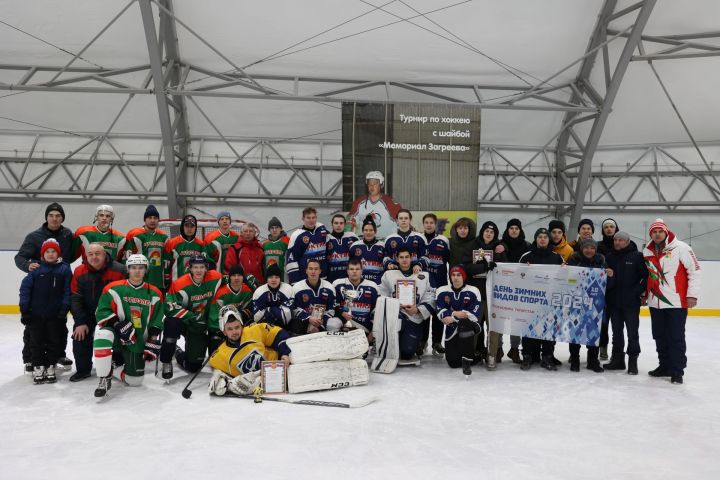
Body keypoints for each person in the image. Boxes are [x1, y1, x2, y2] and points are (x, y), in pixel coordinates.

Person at [92, 254, 164, 397]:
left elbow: (158, 319)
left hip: (136, 340)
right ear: (128, 269)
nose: (137, 271)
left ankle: (114, 368)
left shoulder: (155, 293)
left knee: (135, 381)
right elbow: (101, 311)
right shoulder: (113, 288)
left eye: (141, 268)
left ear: (146, 270)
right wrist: (118, 324)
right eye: (133, 268)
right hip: (117, 335)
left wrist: (153, 340)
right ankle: (104, 377)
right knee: (102, 334)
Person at [15, 202, 74, 372]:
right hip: (40, 287)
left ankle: (58, 355)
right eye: (51, 215)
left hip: (60, 284)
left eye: (58, 216)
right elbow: (20, 257)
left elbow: (72, 254)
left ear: (62, 218)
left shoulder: (67, 234)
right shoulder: (34, 236)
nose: (54, 218)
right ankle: (30, 358)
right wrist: (28, 266)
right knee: (34, 329)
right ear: (46, 217)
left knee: (59, 327)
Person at [643, 218, 701, 385]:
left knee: (675, 336)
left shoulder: (681, 247)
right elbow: (649, 276)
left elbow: (695, 271)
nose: (657, 234)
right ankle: (664, 366)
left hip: (676, 302)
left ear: (666, 232)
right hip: (656, 302)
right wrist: (645, 294)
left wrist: (692, 295)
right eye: (654, 231)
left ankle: (677, 370)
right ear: (651, 234)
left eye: (660, 231)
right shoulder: (646, 251)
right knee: (659, 335)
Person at [69, 243, 127, 382]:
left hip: (111, 313)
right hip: (88, 313)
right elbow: (75, 298)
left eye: (97, 253)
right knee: (80, 335)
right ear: (86, 256)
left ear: (104, 254)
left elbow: (125, 296)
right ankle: (83, 370)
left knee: (119, 335)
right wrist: (80, 322)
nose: (94, 257)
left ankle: (117, 363)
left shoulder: (119, 270)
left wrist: (120, 319)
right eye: (90, 254)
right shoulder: (79, 271)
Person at [160, 254, 223, 379]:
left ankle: (186, 350)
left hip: (205, 324)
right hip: (188, 323)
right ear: (190, 268)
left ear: (206, 268)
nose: (198, 270)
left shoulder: (215, 277)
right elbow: (168, 306)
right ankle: (168, 358)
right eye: (195, 267)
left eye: (201, 267)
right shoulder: (180, 284)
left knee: (193, 366)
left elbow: (232, 280)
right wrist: (192, 317)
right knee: (171, 323)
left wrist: (246, 278)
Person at [18, 239, 72, 384]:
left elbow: (68, 291)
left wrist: (64, 309)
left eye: (53, 251)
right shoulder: (36, 269)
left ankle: (50, 366)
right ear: (42, 254)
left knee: (54, 341)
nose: (50, 254)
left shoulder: (64, 269)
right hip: (36, 315)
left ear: (58, 253)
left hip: (55, 315)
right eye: (47, 251)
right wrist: (25, 310)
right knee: (36, 342)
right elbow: (25, 289)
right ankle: (38, 366)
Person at [208, 305, 291, 395]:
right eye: (230, 329)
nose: (234, 332)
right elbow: (214, 367)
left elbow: (279, 334)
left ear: (242, 325)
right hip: (262, 384)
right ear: (223, 331)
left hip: (282, 370)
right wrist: (219, 375)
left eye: (237, 327)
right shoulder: (220, 355)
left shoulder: (254, 330)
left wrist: (284, 353)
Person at [378, 248, 435, 362]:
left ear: (411, 258)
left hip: (414, 318)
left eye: (407, 257)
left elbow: (432, 297)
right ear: (397, 259)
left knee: (407, 353)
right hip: (395, 316)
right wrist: (392, 306)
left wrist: (417, 309)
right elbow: (380, 295)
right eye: (401, 257)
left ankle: (414, 343)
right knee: (391, 350)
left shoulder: (424, 275)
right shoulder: (388, 274)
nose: (404, 260)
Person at [518, 228, 564, 371]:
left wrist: (564, 270)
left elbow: (564, 279)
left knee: (549, 328)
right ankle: (527, 356)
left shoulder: (557, 257)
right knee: (528, 328)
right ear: (536, 239)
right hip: (531, 301)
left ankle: (547, 356)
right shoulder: (526, 256)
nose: (542, 239)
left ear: (549, 240)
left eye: (545, 237)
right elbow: (517, 278)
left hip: (550, 301)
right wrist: (523, 271)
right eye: (540, 237)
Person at [566, 238, 614, 373]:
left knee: (594, 332)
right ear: (581, 249)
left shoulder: (602, 261)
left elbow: (609, 285)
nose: (589, 250)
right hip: (577, 303)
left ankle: (592, 360)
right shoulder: (574, 260)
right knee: (575, 331)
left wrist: (610, 276)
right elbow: (566, 281)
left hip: (595, 304)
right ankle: (574, 359)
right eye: (586, 248)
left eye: (592, 248)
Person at [463, 221, 505, 369]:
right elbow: (467, 267)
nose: (488, 234)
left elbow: (504, 269)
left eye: (492, 232)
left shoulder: (499, 249)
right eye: (486, 231)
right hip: (477, 294)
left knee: (492, 327)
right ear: (482, 232)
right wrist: (484, 266)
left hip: (493, 296)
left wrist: (499, 257)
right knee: (475, 324)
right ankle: (472, 353)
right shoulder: (473, 246)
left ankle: (491, 354)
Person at [605, 231, 647, 375]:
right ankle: (618, 360)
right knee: (616, 333)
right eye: (616, 240)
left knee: (632, 333)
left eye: (621, 240)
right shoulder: (609, 257)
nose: (617, 242)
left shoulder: (637, 256)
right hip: (614, 303)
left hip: (631, 303)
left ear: (628, 242)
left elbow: (645, 277)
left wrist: (636, 292)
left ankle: (633, 362)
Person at [435, 266, 482, 376]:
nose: (455, 278)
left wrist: (452, 317)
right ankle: (474, 356)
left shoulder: (473, 291)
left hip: (468, 326)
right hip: (451, 329)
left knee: (465, 322)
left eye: (459, 275)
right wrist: (455, 314)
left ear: (463, 277)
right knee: (452, 363)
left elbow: (473, 315)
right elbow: (440, 312)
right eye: (453, 275)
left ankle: (467, 360)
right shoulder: (442, 291)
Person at [500, 218, 531, 363]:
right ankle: (497, 348)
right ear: (507, 230)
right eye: (511, 228)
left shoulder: (527, 246)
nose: (514, 230)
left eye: (516, 228)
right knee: (498, 318)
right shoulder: (500, 245)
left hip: (520, 289)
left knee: (516, 321)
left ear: (520, 230)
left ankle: (514, 349)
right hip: (501, 288)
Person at [421, 213, 450, 356]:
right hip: (423, 285)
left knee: (439, 314)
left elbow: (448, 260)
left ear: (435, 224)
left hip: (440, 283)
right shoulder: (418, 239)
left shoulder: (443, 240)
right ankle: (422, 341)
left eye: (431, 222)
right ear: (423, 224)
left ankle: (437, 343)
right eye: (426, 222)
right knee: (424, 313)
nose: (429, 224)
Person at [123, 205, 169, 291]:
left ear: (158, 220)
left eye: (155, 218)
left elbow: (166, 259)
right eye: (149, 217)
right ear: (144, 219)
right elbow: (127, 257)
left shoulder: (163, 237)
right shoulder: (134, 234)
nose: (152, 220)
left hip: (158, 281)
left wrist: (167, 277)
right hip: (139, 280)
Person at [331, 258, 379, 338]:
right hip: (343, 321)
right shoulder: (338, 284)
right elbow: (332, 304)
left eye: (357, 269)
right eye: (351, 269)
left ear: (362, 271)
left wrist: (373, 330)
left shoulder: (372, 286)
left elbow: (377, 310)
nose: (354, 271)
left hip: (364, 325)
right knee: (332, 324)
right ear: (347, 271)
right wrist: (341, 313)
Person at [348, 170, 402, 240]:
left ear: (381, 185)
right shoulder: (358, 202)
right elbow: (350, 221)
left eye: (375, 183)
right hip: (364, 242)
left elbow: (402, 221)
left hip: (386, 242)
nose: (371, 186)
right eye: (369, 183)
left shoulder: (390, 202)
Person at [291, 260, 336, 334]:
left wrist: (320, 322)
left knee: (334, 324)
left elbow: (331, 309)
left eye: (316, 269)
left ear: (320, 271)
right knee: (295, 325)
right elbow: (294, 309)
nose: (313, 271)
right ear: (306, 271)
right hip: (304, 321)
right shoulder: (297, 287)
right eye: (310, 269)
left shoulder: (329, 287)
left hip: (322, 321)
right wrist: (309, 318)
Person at [208, 264, 255, 334]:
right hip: (221, 329)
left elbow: (250, 310)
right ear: (229, 277)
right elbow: (214, 317)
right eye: (233, 275)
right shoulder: (221, 293)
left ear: (243, 278)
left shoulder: (247, 291)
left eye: (239, 275)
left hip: (239, 326)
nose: (236, 278)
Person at [286, 207, 328, 284]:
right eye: (308, 218)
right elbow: (291, 259)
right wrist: (295, 282)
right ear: (303, 219)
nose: (311, 220)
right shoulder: (297, 235)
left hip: (323, 278)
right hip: (304, 280)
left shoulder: (321, 229)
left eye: (313, 217)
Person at [251, 264, 296, 333]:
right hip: (265, 329)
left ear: (280, 278)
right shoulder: (259, 292)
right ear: (267, 279)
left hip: (285, 328)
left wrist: (268, 310)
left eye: (276, 277)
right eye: (271, 277)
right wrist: (278, 311)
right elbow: (257, 318)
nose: (273, 280)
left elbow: (286, 318)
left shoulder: (288, 289)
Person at [165, 214, 206, 284]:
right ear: (182, 227)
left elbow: (205, 265)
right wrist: (167, 280)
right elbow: (166, 263)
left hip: (195, 285)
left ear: (195, 228)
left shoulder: (201, 244)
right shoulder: (172, 243)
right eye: (187, 226)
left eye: (192, 226)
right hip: (177, 284)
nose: (189, 229)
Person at [349, 215, 385, 284]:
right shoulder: (355, 246)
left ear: (375, 231)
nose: (368, 232)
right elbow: (350, 266)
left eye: (371, 230)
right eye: (366, 230)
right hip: (359, 283)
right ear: (362, 231)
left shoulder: (382, 246)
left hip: (378, 283)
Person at [325, 214, 358, 283]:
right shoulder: (326, 238)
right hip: (330, 279)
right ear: (332, 224)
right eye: (336, 223)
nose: (338, 225)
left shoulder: (352, 237)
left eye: (341, 223)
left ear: (345, 224)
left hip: (348, 279)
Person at [205, 211, 239, 276]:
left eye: (227, 219)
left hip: (233, 274)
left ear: (230, 221)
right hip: (217, 273)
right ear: (218, 222)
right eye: (222, 219)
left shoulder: (236, 237)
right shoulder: (210, 238)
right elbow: (207, 258)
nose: (225, 221)